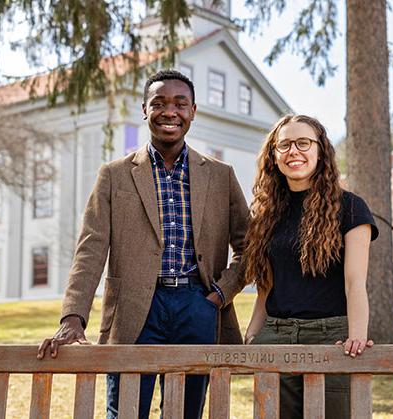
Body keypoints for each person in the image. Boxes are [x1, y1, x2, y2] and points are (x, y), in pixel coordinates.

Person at [37, 69, 248, 419]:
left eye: (180, 104)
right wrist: (74, 317)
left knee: (185, 414)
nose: (170, 112)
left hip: (198, 307)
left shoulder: (220, 175)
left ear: (193, 111)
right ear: (144, 109)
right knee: (125, 413)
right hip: (134, 310)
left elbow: (249, 245)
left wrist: (221, 293)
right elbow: (90, 248)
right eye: (159, 103)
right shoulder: (114, 174)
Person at [243, 114, 379, 418]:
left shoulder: (351, 208)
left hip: (332, 338)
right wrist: (253, 333)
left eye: (303, 143)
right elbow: (267, 284)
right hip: (276, 338)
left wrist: (357, 334)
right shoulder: (266, 214)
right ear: (273, 156)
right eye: (285, 145)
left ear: (320, 150)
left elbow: (355, 282)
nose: (294, 151)